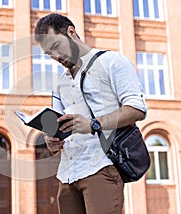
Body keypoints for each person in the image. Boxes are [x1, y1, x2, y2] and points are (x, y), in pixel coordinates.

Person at [34, 13, 147, 214]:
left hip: (100, 167)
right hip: (67, 174)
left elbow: (136, 108)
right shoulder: (60, 83)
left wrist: (94, 124)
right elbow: (58, 123)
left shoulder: (112, 62)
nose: (55, 57)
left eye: (56, 47)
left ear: (71, 32)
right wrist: (50, 139)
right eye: (49, 53)